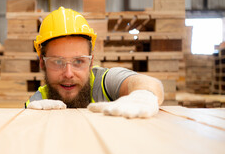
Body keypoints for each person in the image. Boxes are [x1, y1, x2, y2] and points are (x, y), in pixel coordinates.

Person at [25, 7, 164, 118]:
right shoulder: (37, 103)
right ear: (42, 64)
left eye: (79, 61)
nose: (68, 74)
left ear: (91, 63)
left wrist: (143, 96)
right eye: (57, 61)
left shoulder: (104, 83)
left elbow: (147, 83)